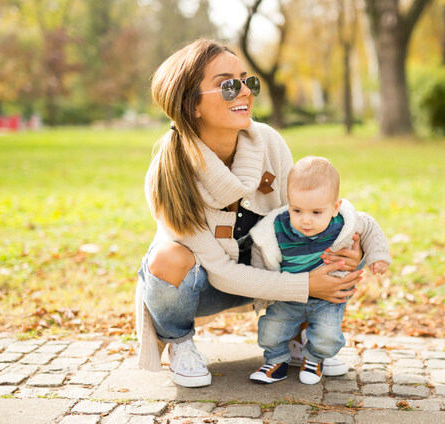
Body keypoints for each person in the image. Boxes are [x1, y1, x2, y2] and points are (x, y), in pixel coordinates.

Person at [135, 38, 363, 388]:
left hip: (267, 268)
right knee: (167, 257)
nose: (244, 92)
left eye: (247, 81)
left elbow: (299, 220)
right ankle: (179, 343)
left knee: (325, 237)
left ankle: (303, 335)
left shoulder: (269, 142)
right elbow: (223, 274)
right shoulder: (168, 174)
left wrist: (349, 247)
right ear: (192, 105)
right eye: (227, 85)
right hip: (206, 282)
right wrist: (305, 284)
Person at [248, 156, 391, 385]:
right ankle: (275, 361)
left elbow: (370, 227)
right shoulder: (277, 227)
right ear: (289, 202)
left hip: (327, 299)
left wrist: (378, 255)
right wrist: (263, 291)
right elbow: (260, 249)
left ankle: (314, 359)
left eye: (316, 213)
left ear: (335, 207)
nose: (306, 220)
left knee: (328, 336)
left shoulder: (343, 223)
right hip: (288, 296)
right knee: (272, 330)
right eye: (297, 210)